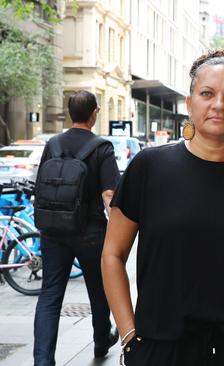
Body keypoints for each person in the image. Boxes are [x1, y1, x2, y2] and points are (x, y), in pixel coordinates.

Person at [101, 48, 224, 366]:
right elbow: (112, 254)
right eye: (207, 93)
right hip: (161, 347)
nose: (219, 104)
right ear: (190, 103)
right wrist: (128, 336)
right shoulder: (149, 167)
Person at [33, 90, 120, 365]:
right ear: (94, 113)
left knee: (50, 294)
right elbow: (110, 196)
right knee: (98, 289)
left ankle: (43, 360)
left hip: (53, 231)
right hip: (90, 232)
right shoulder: (102, 147)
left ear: (71, 113)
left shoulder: (53, 144)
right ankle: (100, 342)